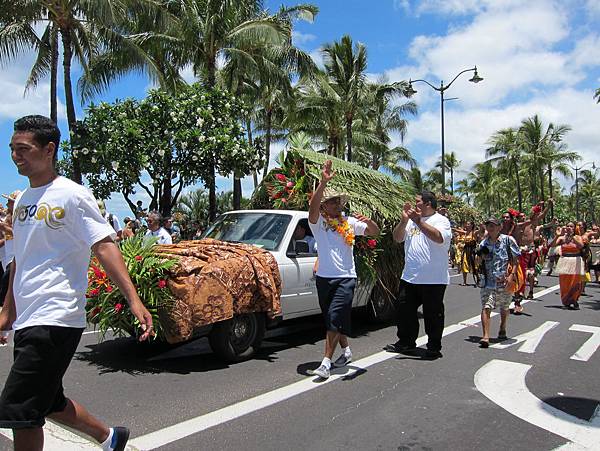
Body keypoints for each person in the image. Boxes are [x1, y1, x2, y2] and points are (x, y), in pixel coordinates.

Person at [0, 115, 154, 451]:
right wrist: (8, 312)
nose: (15, 156)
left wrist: (133, 299)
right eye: (12, 149)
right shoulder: (23, 201)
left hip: (56, 314)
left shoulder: (72, 195)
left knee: (19, 410)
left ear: (49, 149)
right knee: (49, 402)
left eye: (23, 149)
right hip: (29, 317)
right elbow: (19, 261)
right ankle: (110, 437)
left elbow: (104, 244)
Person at [307, 160, 379, 379]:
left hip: (346, 277)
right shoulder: (317, 223)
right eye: (333, 202)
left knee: (335, 317)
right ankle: (346, 351)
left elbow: (374, 232)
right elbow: (312, 207)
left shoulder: (349, 223)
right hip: (324, 279)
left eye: (339, 201)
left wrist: (371, 222)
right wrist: (323, 183)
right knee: (332, 319)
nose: (338, 205)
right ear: (324, 206)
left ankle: (326, 363)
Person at [385, 191, 452, 359]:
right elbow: (397, 238)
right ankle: (406, 342)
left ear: (428, 204)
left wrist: (418, 221)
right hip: (410, 277)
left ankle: (433, 347)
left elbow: (438, 238)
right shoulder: (411, 221)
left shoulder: (441, 221)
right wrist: (404, 221)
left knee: (433, 315)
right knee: (404, 312)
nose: (415, 205)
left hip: (434, 279)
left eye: (418, 202)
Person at [476, 217, 521, 348]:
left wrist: (511, 276)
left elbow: (516, 260)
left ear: (500, 227)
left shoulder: (508, 240)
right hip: (488, 282)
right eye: (489, 225)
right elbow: (478, 262)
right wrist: (480, 257)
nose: (491, 228)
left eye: (493, 225)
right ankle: (485, 336)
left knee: (504, 307)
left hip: (505, 281)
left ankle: (502, 326)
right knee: (486, 307)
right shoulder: (483, 243)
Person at [549, 223, 585, 309]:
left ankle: (574, 299)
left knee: (575, 281)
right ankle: (566, 300)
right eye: (567, 226)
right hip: (564, 260)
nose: (569, 228)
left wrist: (572, 238)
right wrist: (557, 236)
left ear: (574, 228)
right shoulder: (562, 238)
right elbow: (552, 245)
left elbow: (581, 246)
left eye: (571, 226)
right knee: (564, 282)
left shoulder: (578, 237)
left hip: (575, 261)